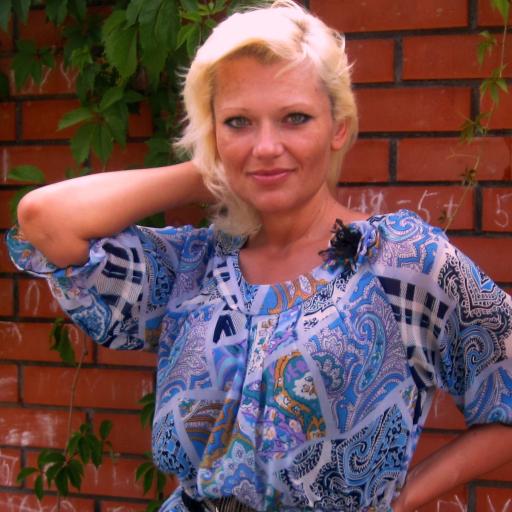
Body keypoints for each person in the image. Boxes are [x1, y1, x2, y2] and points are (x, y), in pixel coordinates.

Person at [6, 1, 512, 510]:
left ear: (338, 127)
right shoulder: (194, 266)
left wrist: (401, 501)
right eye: (239, 121)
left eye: (295, 118)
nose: (266, 146)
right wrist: (216, 169)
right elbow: (46, 220)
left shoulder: (400, 263)